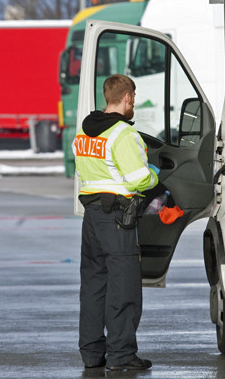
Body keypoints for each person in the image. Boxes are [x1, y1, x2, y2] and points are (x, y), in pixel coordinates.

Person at [73, 74, 159, 371]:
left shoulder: (85, 132)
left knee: (94, 286)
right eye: (132, 98)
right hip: (117, 219)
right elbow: (139, 179)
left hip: (92, 217)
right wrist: (156, 175)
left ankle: (92, 354)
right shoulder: (123, 134)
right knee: (123, 287)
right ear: (128, 98)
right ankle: (122, 356)